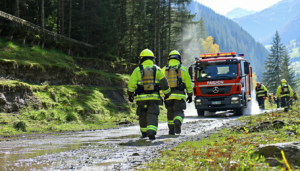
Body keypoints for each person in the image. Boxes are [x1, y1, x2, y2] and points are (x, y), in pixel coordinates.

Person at [127, 49, 171, 140]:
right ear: (152, 59)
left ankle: (144, 133)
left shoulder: (137, 70)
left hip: (141, 98)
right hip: (153, 98)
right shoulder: (157, 69)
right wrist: (167, 94)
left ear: (141, 59)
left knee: (142, 114)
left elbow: (131, 84)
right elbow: (164, 84)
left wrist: (130, 94)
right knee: (153, 114)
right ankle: (151, 132)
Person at [162, 50, 193, 135]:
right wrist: (190, 95)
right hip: (179, 95)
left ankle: (171, 130)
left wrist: (162, 95)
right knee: (179, 111)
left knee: (170, 111)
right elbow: (188, 83)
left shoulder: (164, 69)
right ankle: (177, 121)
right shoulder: (183, 69)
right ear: (179, 58)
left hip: (168, 96)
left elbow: (160, 83)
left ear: (169, 59)